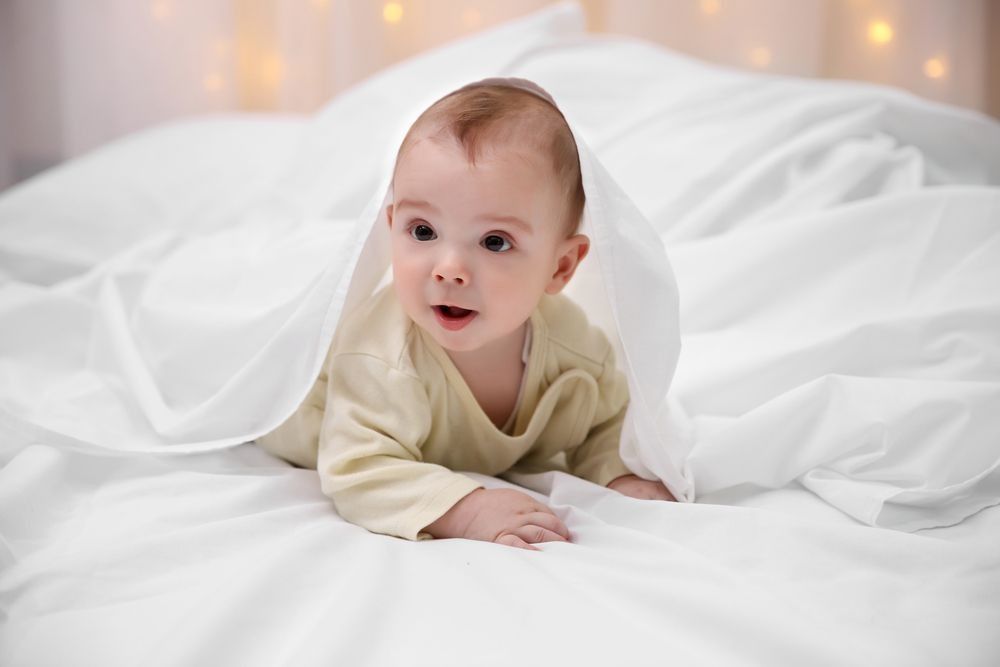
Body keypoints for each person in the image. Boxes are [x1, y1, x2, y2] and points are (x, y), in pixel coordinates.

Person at [256, 77, 674, 551]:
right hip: (291, 410)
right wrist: (467, 507)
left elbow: (604, 425)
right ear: (391, 227)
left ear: (560, 267)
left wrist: (617, 475)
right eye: (422, 230)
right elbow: (358, 469)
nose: (449, 269)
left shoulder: (576, 351)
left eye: (495, 241)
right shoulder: (380, 355)